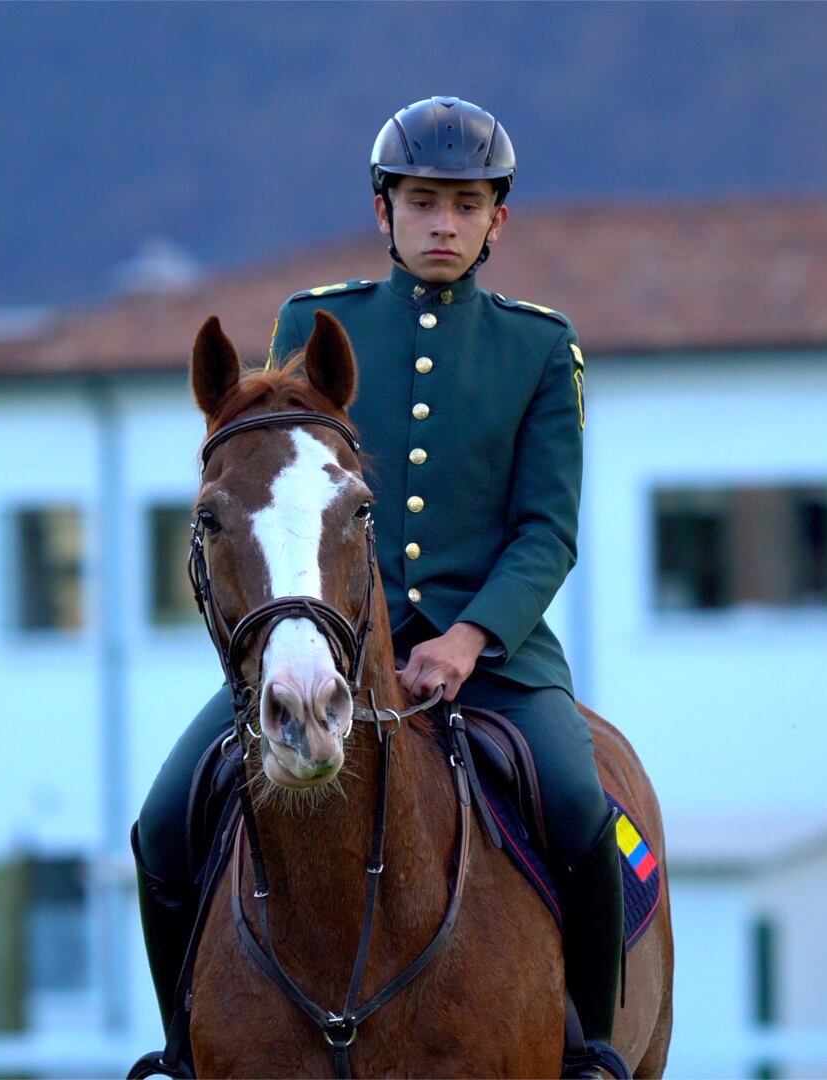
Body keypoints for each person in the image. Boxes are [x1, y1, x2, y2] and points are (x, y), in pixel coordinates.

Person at [131, 95, 625, 1079]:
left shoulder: (539, 348)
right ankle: (184, 1050)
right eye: (423, 202)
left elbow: (546, 531)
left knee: (582, 809)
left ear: (497, 220)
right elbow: (280, 493)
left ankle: (588, 1047)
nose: (444, 223)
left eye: (466, 205)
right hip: (323, 641)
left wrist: (469, 638)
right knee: (165, 820)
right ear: (383, 211)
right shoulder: (315, 326)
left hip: (494, 658)